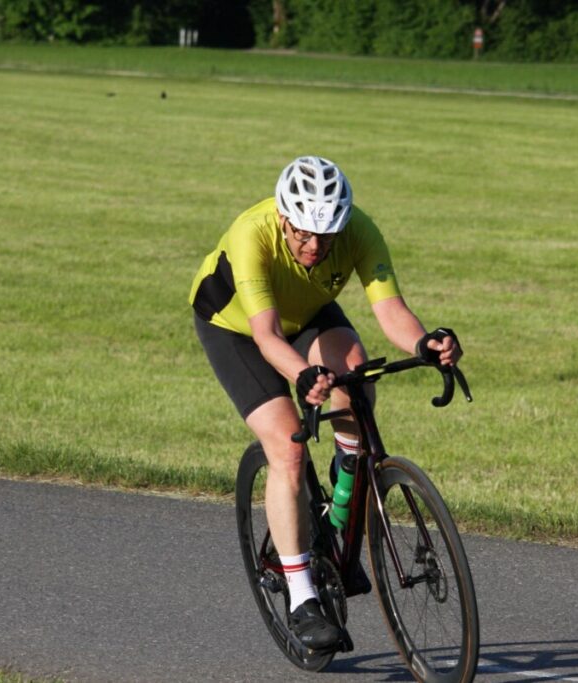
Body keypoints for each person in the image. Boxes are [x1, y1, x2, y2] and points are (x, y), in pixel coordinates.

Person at [189, 156, 461, 651]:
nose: (315, 246)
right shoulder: (252, 235)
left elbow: (391, 310)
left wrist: (425, 343)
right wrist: (303, 374)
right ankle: (301, 598)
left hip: (306, 312)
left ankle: (341, 505)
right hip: (237, 328)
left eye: (327, 236)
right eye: (303, 234)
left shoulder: (359, 230)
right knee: (288, 448)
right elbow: (268, 336)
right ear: (283, 218)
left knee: (355, 373)